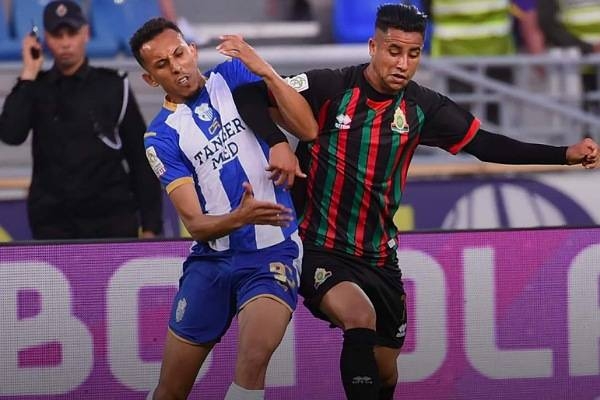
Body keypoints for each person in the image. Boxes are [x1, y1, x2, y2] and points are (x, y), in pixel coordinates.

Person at [233, 4, 600, 399]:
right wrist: (278, 144)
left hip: (379, 256)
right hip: (319, 246)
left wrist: (564, 154)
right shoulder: (330, 86)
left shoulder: (424, 107)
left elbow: (486, 144)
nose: (403, 64)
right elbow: (249, 94)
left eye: (413, 54)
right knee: (359, 317)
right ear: (373, 47)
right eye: (394, 51)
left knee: (384, 369)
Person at [128, 17, 317, 400]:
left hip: (272, 253)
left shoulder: (232, 75)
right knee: (171, 389)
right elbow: (196, 224)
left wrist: (265, 70)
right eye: (162, 64)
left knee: (254, 359)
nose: (176, 67)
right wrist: (240, 218)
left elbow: (308, 129)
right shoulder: (160, 136)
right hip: (212, 262)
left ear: (192, 50)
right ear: (150, 79)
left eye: (179, 54)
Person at [0, 0, 162, 240]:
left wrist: (151, 227)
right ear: (45, 39)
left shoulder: (114, 86)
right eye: (57, 35)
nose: (65, 42)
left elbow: (141, 159)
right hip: (53, 225)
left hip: (111, 220)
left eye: (72, 33)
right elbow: (11, 134)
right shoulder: (35, 87)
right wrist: (28, 73)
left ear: (85, 33)